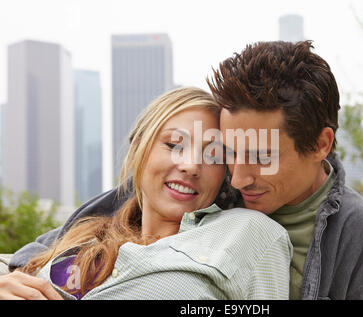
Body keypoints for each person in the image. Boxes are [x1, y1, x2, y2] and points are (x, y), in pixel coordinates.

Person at [9, 40, 363, 300]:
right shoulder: (205, 187)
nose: (240, 176)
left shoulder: (358, 233)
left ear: (320, 145)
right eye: (229, 152)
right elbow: (37, 254)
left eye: (261, 156)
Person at [0, 87, 292, 300]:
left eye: (213, 154)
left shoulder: (248, 233)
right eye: (174, 144)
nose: (191, 166)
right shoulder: (83, 238)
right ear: (139, 147)